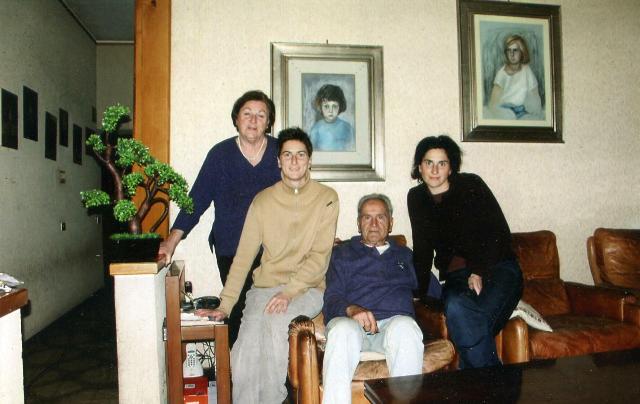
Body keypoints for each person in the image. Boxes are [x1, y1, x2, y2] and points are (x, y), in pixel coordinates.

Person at [197, 127, 339, 404]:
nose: (294, 161)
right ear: (278, 161)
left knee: (275, 327)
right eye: (287, 155)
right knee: (244, 351)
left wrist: (288, 292)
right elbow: (243, 257)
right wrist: (225, 305)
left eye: (301, 155)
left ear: (310, 160)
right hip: (263, 289)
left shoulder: (327, 198)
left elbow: (319, 257)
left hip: (306, 289)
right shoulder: (262, 201)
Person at [158, 90, 281, 346]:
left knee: (271, 315)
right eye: (247, 113)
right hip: (231, 248)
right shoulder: (220, 155)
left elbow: (301, 195)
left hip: (273, 251)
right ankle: (236, 369)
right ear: (236, 119)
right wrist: (171, 242)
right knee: (238, 313)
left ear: (269, 122)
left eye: (261, 115)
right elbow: (197, 200)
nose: (253, 120)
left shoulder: (280, 152)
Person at [407, 135, 523, 369]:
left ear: (451, 168)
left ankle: (479, 383)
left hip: (498, 268)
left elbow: (498, 232)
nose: (435, 170)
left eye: (442, 163)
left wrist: (478, 270)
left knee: (469, 324)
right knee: (457, 308)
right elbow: (422, 248)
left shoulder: (471, 185)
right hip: (456, 277)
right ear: (419, 167)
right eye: (429, 163)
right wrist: (417, 292)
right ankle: (495, 383)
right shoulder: (417, 198)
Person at [322, 194, 424, 404]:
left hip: (392, 328)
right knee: (342, 331)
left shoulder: (405, 255)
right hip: (352, 325)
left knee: (406, 328)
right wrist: (352, 310)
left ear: (391, 223)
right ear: (359, 223)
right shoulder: (342, 254)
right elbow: (331, 298)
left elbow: (429, 288)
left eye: (381, 217)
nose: (374, 224)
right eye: (367, 217)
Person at [487, 34, 543, 120]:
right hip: (505, 110)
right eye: (509, 50)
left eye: (515, 50)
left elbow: (534, 95)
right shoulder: (502, 74)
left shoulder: (527, 70)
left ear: (522, 52)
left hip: (522, 110)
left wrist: (533, 109)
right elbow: (493, 103)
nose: (512, 54)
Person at [309, 84, 355, 151]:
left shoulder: (348, 128)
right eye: (326, 106)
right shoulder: (316, 129)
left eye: (334, 106)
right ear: (320, 106)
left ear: (340, 106)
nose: (330, 111)